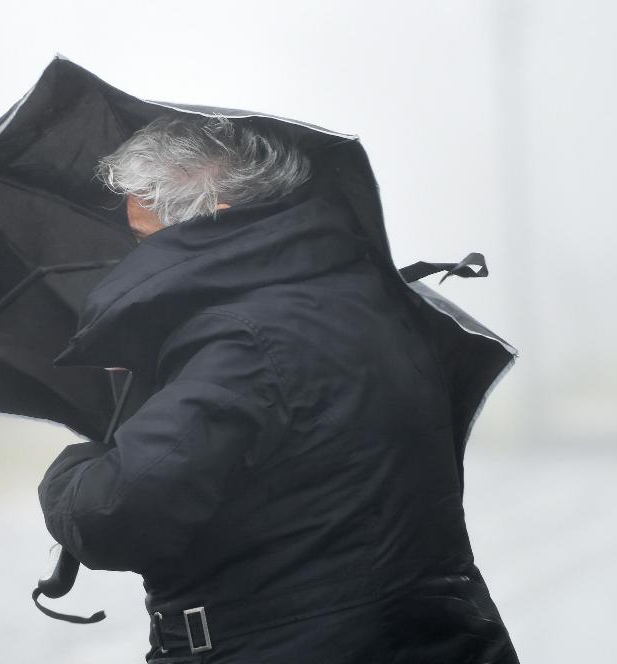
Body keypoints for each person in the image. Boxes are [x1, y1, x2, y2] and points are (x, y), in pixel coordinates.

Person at [38, 114, 520, 663]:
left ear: (211, 221)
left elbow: (114, 515)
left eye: (146, 239)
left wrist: (72, 469)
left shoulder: (242, 341)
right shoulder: (373, 297)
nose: (138, 259)